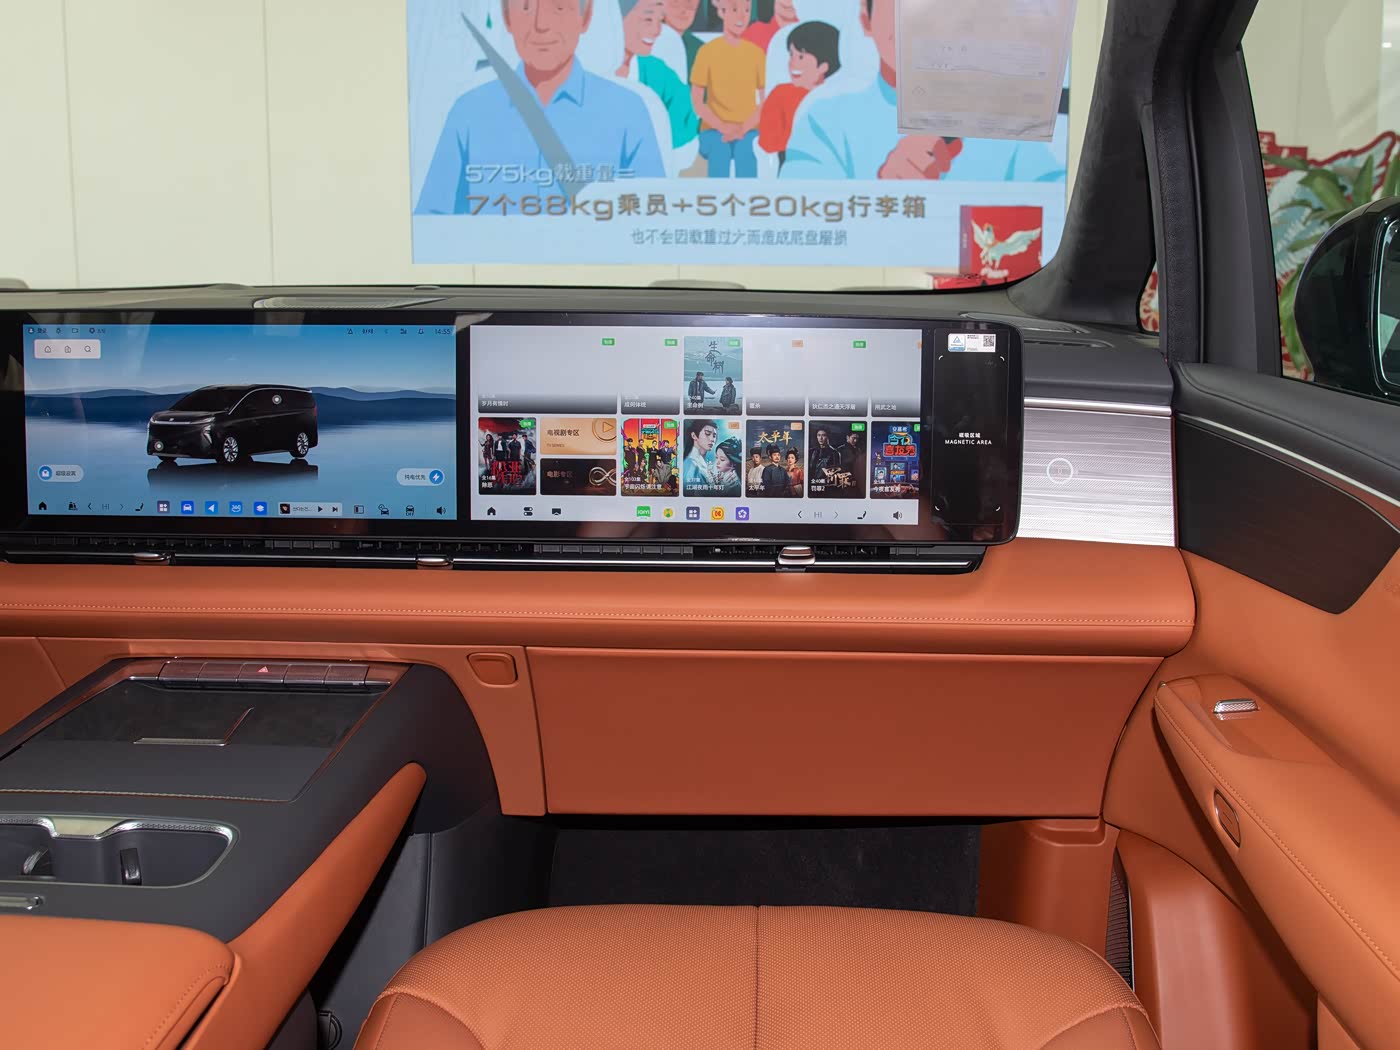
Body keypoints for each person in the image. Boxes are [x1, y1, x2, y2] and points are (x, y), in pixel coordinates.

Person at [416, 0, 665, 213]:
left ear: (586, 16)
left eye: (559, 7)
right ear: (507, 17)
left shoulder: (628, 112)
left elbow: (650, 221)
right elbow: (431, 224)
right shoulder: (469, 112)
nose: (541, 25)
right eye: (526, 7)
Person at [781, 0, 1064, 182]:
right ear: (866, 17)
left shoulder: (1010, 125)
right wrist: (882, 194)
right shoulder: (823, 124)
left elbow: (1065, 219)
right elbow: (799, 219)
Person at [690, 0, 766, 178]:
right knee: (720, 150)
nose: (741, 17)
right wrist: (723, 127)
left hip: (748, 130)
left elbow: (765, 101)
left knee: (746, 151)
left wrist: (743, 128)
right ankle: (717, 195)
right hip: (713, 130)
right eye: (734, 9)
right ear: (721, 12)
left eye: (746, 10)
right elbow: (697, 101)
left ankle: (747, 195)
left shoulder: (756, 54)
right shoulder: (706, 52)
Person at [617, 0, 700, 151]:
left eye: (660, 20)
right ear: (616, 17)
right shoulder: (586, 70)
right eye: (648, 19)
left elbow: (686, 126)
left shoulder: (661, 75)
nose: (657, 30)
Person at [758, 20, 838, 164]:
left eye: (801, 57)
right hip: (791, 163)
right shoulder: (781, 94)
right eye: (791, 55)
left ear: (823, 66)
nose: (792, 63)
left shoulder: (834, 97)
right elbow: (767, 142)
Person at [653, 0, 704, 86]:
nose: (683, 10)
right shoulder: (644, 44)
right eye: (676, 2)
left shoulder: (702, 51)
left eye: (690, 4)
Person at [683, 418, 720, 489]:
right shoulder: (691, 463)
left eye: (714, 436)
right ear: (694, 435)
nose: (712, 439)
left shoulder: (702, 462)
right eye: (707, 434)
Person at [839, 428, 865, 493]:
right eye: (853, 438)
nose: (855, 440)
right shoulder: (840, 450)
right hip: (844, 477)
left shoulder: (858, 449)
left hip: (856, 477)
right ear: (848, 437)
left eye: (857, 438)